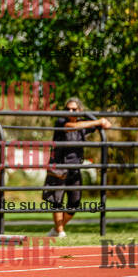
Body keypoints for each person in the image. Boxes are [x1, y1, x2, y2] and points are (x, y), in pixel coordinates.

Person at [45, 97, 111, 238]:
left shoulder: (83, 124)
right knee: (57, 201)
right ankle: (60, 232)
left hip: (75, 168)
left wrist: (104, 122)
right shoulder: (61, 121)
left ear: (80, 110)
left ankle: (56, 229)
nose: (70, 111)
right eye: (68, 109)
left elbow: (104, 125)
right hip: (58, 167)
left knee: (74, 203)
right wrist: (98, 121)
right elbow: (72, 127)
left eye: (74, 109)